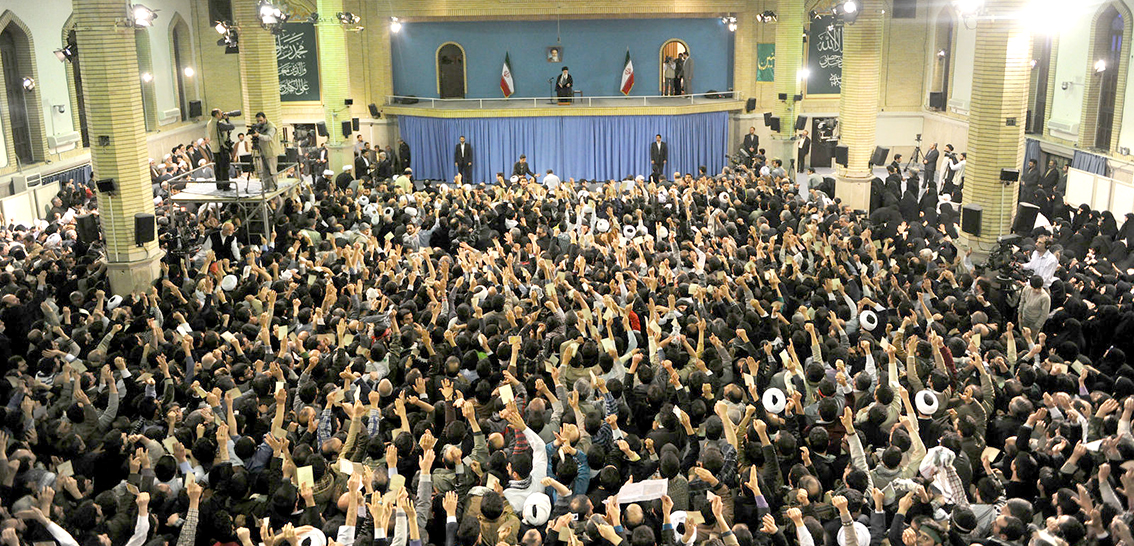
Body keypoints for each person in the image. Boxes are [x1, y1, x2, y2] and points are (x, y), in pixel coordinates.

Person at [249, 112, 281, 190]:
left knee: (271, 170)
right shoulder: (261, 126)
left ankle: (273, 186)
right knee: (264, 170)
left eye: (261, 120)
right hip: (263, 151)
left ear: (265, 118)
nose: (259, 122)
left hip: (271, 151)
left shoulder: (271, 127)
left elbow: (268, 137)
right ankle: (266, 186)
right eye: (258, 121)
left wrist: (258, 135)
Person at [206, 109, 233, 190]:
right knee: (224, 168)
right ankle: (226, 186)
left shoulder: (209, 123)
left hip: (214, 148)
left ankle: (219, 185)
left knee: (218, 168)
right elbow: (232, 127)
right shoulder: (219, 123)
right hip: (221, 148)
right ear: (217, 115)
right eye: (221, 113)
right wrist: (227, 119)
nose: (222, 114)